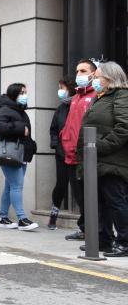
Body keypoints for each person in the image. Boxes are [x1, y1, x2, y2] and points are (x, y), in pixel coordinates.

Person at [78, 61, 128, 257]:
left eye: (97, 76)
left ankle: (124, 241)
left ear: (110, 78)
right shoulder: (101, 97)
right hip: (96, 160)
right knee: (100, 203)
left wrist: (99, 147)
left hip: (112, 160)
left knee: (116, 202)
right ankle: (103, 241)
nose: (94, 80)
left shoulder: (121, 96)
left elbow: (124, 127)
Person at [60, 59, 98, 241]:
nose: (79, 75)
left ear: (93, 74)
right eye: (77, 71)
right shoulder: (75, 97)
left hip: (86, 155)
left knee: (91, 196)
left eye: (83, 71)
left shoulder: (96, 95)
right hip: (70, 154)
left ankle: (96, 232)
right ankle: (85, 229)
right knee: (80, 197)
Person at [0, 83, 38, 231]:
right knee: (17, 186)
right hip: (10, 153)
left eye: (25, 92)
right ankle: (22, 219)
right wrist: (19, 128)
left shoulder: (19, 110)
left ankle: (3, 217)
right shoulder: (5, 109)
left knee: (10, 186)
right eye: (22, 92)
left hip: (20, 153)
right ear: (14, 94)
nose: (25, 95)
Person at [48, 75, 77, 229]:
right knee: (61, 184)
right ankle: (53, 216)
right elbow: (53, 129)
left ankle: (86, 221)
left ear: (70, 89)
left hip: (76, 153)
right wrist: (56, 145)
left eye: (62, 88)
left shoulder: (78, 104)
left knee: (78, 186)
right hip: (61, 153)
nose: (59, 92)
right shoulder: (60, 109)